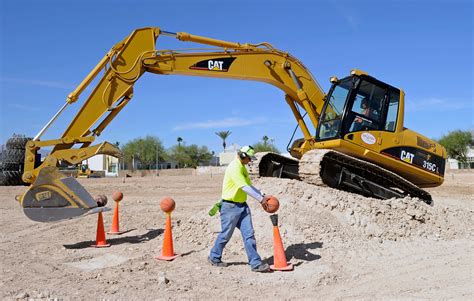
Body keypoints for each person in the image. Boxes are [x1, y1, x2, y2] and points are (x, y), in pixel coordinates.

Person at [208, 145, 272, 273]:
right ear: (243, 156)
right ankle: (214, 257)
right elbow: (244, 187)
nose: (250, 161)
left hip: (242, 206)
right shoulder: (234, 167)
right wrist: (260, 199)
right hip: (230, 207)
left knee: (249, 235)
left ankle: (255, 263)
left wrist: (262, 194)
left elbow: (249, 185)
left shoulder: (242, 167)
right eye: (249, 158)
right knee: (226, 234)